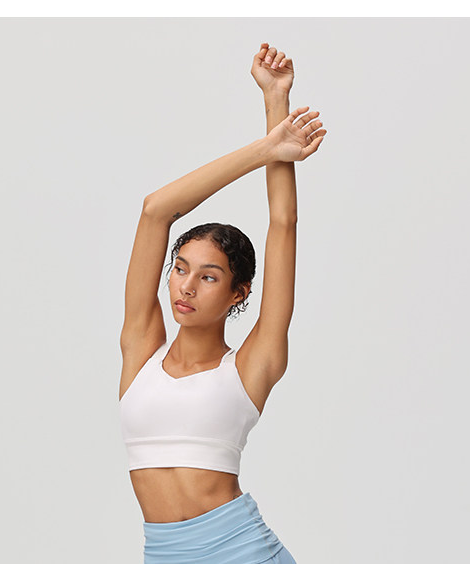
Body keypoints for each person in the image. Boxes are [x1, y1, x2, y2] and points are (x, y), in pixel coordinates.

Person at [118, 43, 327, 564]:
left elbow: (283, 224)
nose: (186, 286)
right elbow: (155, 211)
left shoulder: (251, 367)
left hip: (241, 552)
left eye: (208, 277)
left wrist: (276, 104)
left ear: (239, 293)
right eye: (180, 268)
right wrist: (265, 148)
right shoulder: (141, 351)